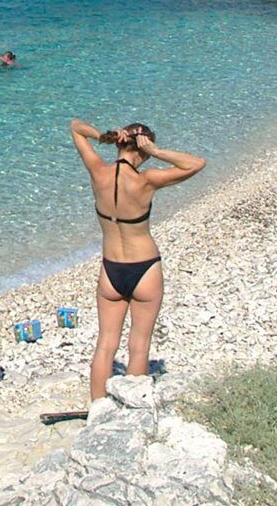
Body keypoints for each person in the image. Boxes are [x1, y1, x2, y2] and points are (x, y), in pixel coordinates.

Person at [69, 118, 207, 401]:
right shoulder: (147, 180)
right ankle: (133, 407)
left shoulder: (98, 171)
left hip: (111, 269)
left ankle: (98, 410)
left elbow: (75, 126)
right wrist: (157, 152)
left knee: (105, 345)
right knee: (140, 345)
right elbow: (196, 164)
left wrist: (103, 136)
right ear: (142, 150)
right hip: (144, 268)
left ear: (120, 143)